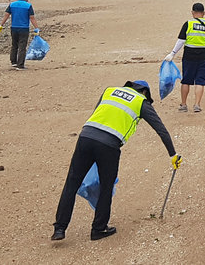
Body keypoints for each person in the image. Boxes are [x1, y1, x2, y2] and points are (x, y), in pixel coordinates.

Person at [52, 80, 181, 241]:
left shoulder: (109, 90)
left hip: (86, 136)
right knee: (106, 186)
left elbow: (96, 113)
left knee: (72, 183)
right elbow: (160, 129)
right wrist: (173, 154)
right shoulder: (141, 101)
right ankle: (98, 229)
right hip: (109, 145)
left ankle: (59, 229)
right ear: (145, 92)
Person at [164, 2, 205, 112]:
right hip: (204, 55)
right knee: (200, 81)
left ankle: (183, 105)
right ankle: (197, 105)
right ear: (204, 13)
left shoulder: (188, 24)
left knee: (186, 80)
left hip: (189, 55)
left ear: (192, 13)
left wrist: (172, 53)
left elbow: (181, 41)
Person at [0, 0, 40, 70]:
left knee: (14, 45)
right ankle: (20, 65)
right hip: (24, 28)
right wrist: (36, 28)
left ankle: (13, 62)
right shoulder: (28, 6)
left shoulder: (12, 4)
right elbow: (32, 18)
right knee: (22, 46)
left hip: (14, 28)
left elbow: (6, 15)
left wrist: (1, 25)